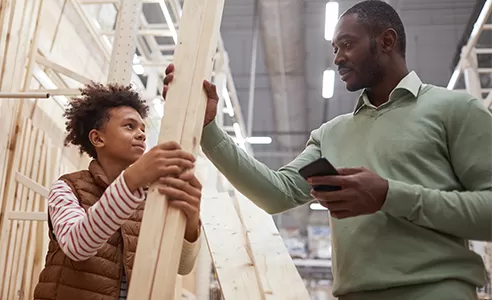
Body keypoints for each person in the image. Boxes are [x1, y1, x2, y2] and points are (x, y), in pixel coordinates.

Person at [163, 1, 492, 299]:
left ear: (387, 41)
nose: (337, 58)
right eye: (335, 48)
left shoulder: (456, 110)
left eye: (347, 45)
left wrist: (390, 195)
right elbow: (276, 193)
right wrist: (208, 131)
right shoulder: (331, 134)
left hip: (436, 292)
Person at [34, 82, 203, 300]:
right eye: (129, 126)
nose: (141, 135)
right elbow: (76, 246)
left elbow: (181, 266)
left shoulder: (150, 197)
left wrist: (191, 221)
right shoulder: (67, 188)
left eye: (143, 129)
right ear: (97, 138)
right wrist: (132, 180)